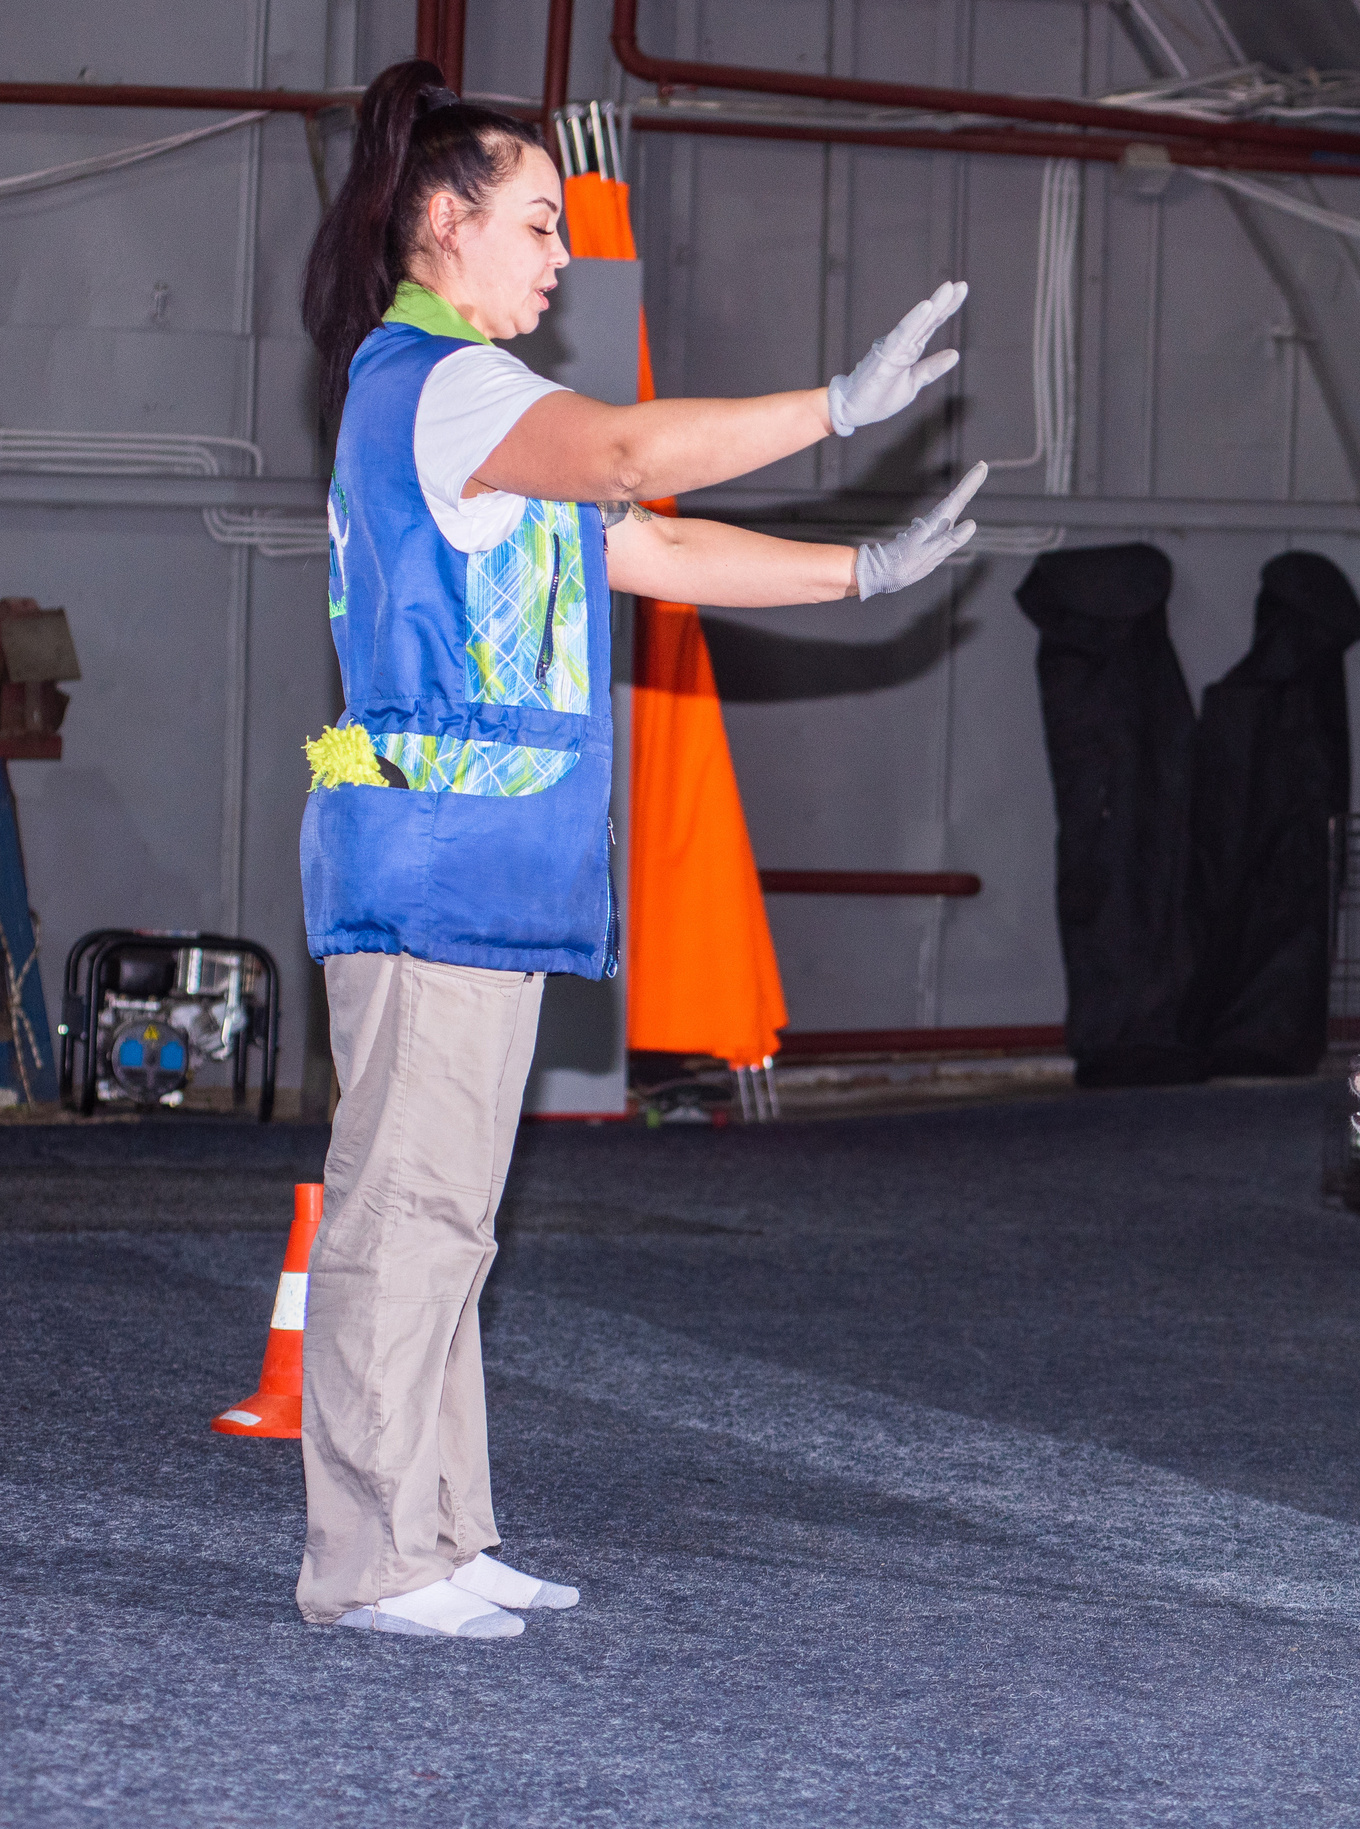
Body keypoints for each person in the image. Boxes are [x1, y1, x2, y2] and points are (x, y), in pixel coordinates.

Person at [292, 59, 985, 1639]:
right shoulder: (450, 383)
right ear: (443, 223)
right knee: (407, 1212)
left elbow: (645, 544)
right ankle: (372, 1556)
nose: (559, 258)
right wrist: (834, 409)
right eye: (538, 225)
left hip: (470, 866)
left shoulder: (460, 395)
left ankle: (441, 1527)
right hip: (435, 866)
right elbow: (626, 465)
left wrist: (859, 567)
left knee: (448, 1213)